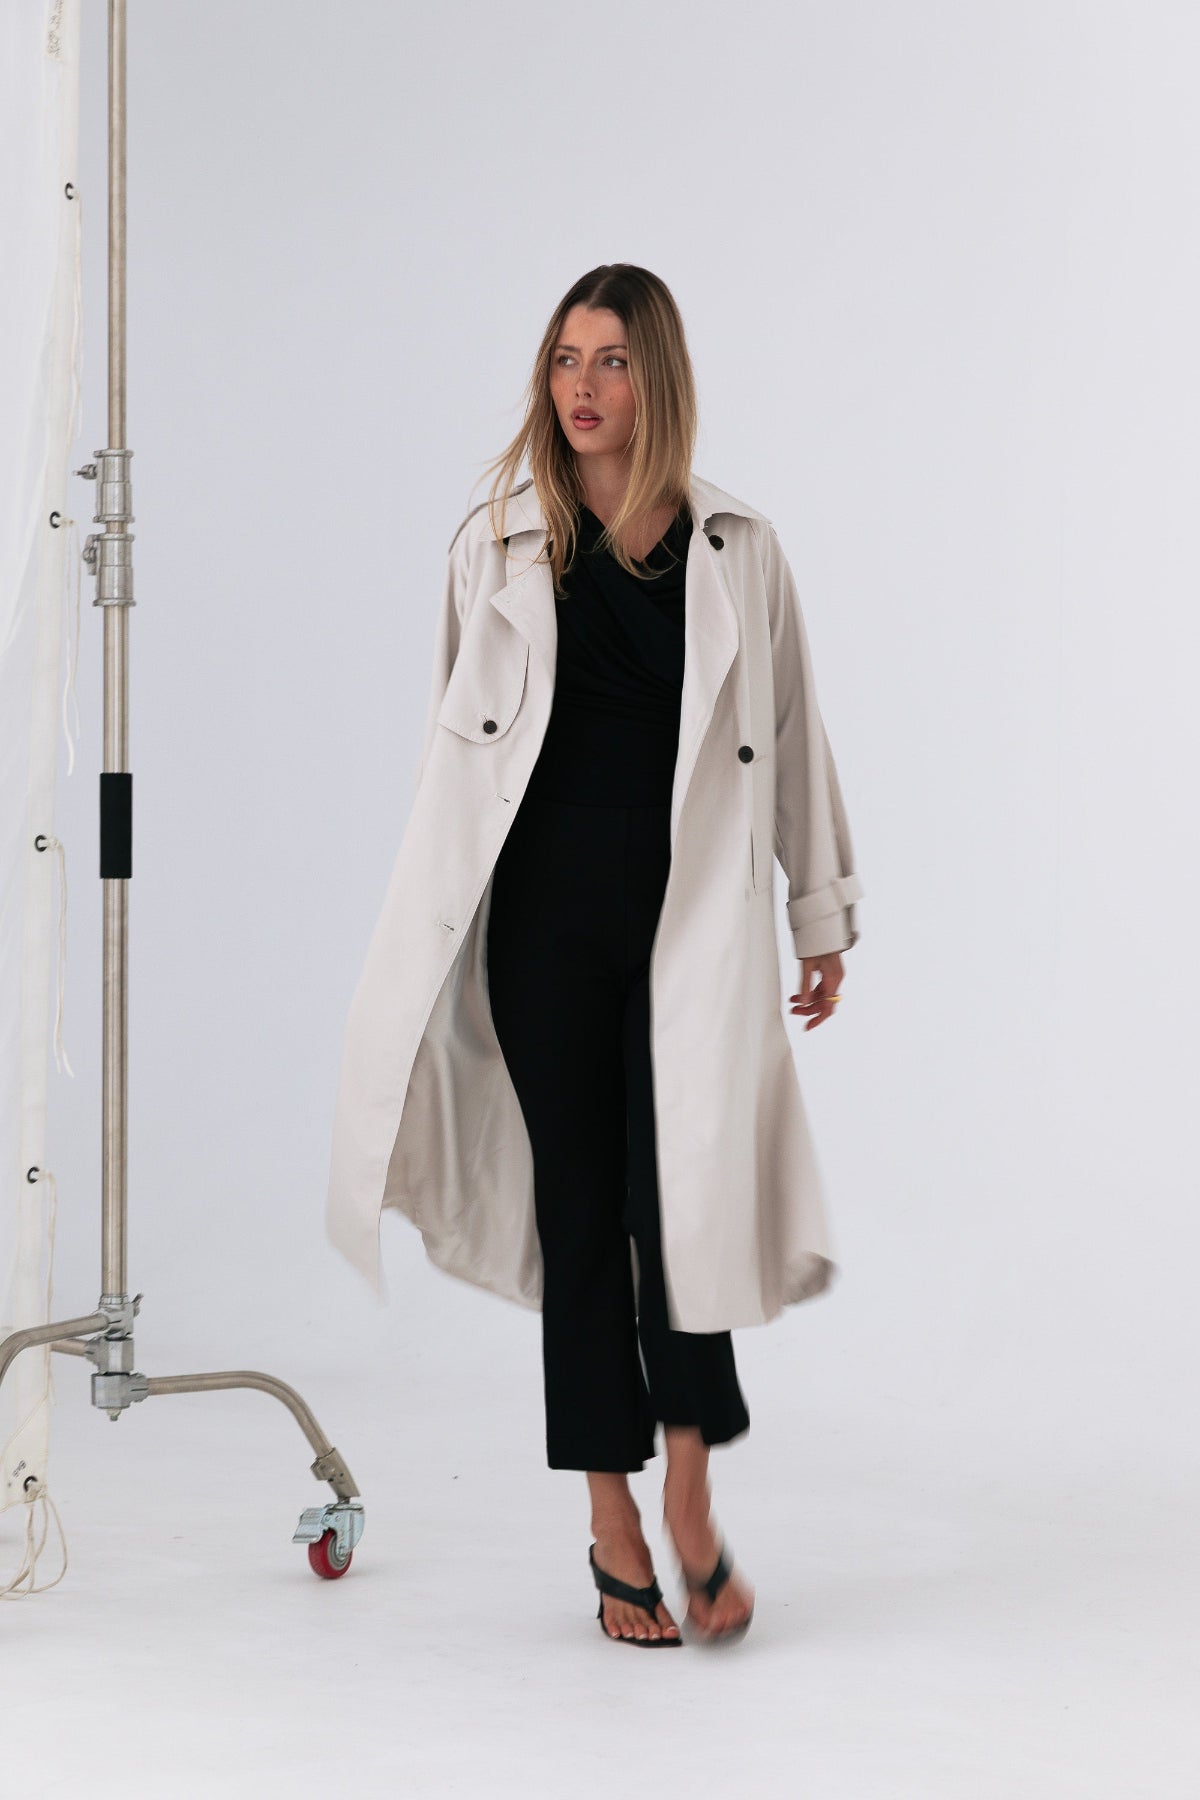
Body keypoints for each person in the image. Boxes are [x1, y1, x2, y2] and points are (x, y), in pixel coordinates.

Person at [460, 265, 854, 1647]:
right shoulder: (499, 545)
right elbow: (458, 763)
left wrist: (819, 912)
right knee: (583, 1215)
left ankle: (690, 1490)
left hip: (693, 924)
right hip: (544, 927)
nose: (582, 386)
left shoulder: (739, 547)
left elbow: (793, 734)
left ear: (658, 379)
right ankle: (609, 1516)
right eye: (566, 358)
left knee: (679, 1203)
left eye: (613, 360)